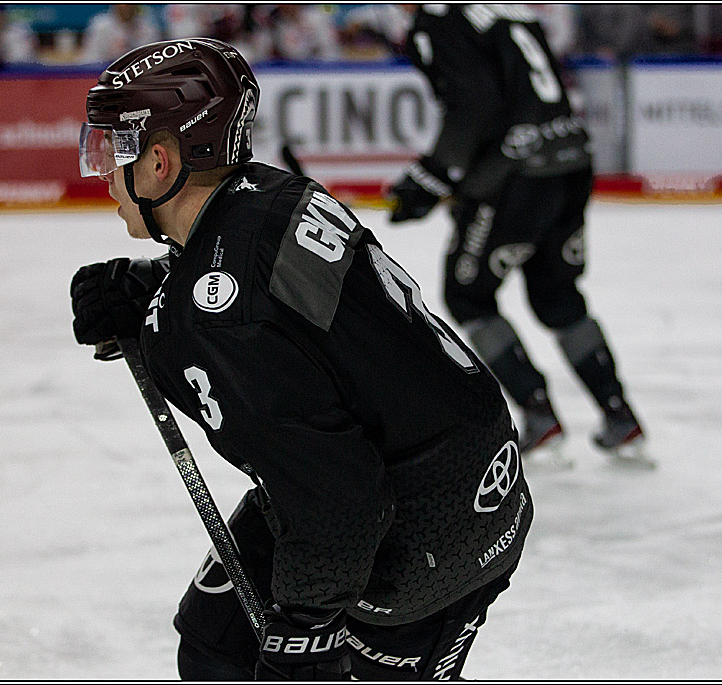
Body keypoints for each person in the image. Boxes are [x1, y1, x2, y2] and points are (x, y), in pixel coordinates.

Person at [69, 38, 532, 680]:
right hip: (447, 462)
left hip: (432, 532)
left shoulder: (218, 320)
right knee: (216, 642)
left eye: (115, 152)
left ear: (159, 160)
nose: (104, 176)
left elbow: (337, 495)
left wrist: (304, 627)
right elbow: (279, 312)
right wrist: (149, 291)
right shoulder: (266, 192)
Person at [386, 5, 647, 462]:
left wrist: (431, 177)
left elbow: (475, 106)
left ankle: (539, 415)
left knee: (469, 295)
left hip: (521, 176)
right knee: (557, 295)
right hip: (569, 161)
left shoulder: (439, 22)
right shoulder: (507, 10)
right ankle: (619, 415)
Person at [79, 4, 161, 64]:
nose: (125, 7)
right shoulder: (100, 26)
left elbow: (154, 60)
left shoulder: (148, 27)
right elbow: (90, 59)